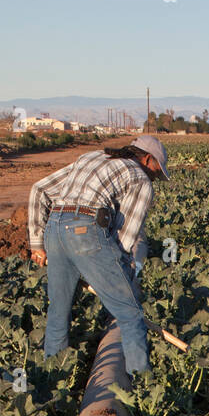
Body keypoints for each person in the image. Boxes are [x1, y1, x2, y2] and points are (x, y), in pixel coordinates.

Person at [27, 134, 170, 377]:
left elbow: (40, 189)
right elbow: (125, 239)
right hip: (86, 232)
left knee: (58, 312)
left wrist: (36, 244)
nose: (156, 176)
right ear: (147, 159)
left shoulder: (93, 157)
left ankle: (51, 380)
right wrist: (121, 281)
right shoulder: (140, 179)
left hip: (54, 230)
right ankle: (142, 384)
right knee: (130, 314)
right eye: (157, 170)